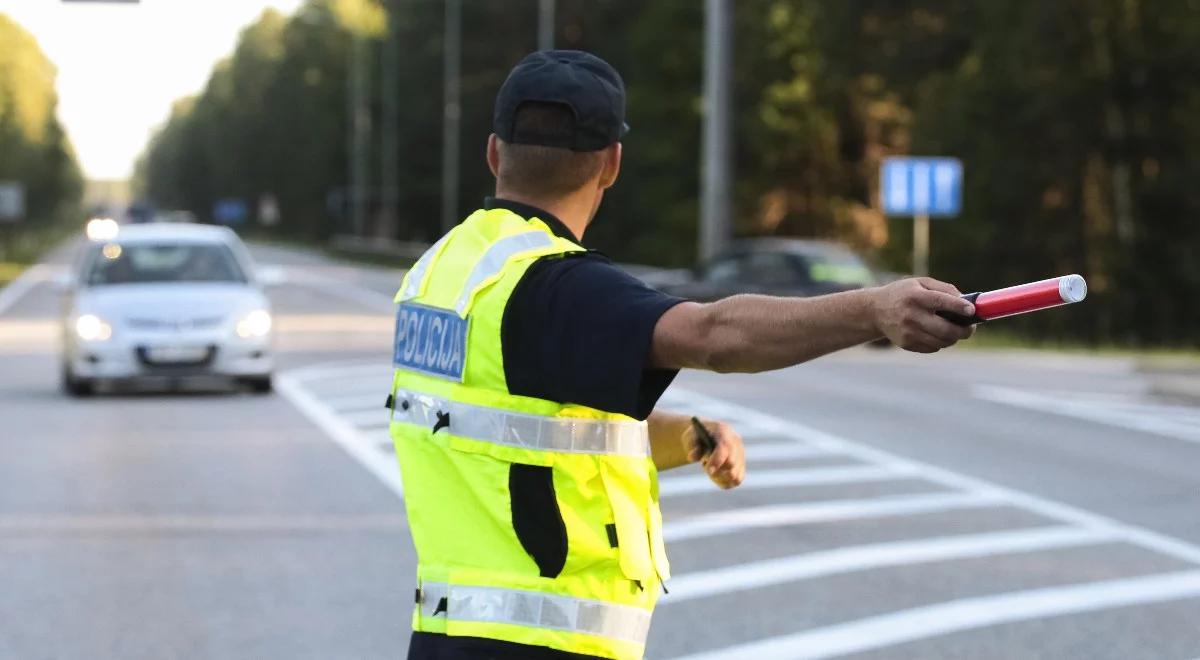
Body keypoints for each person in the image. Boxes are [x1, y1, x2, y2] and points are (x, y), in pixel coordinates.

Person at [389, 50, 976, 660]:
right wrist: (873, 310)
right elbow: (713, 334)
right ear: (611, 164)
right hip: (543, 642)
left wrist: (690, 437)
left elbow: (509, 428)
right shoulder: (554, 286)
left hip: (445, 638)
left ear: (492, 152)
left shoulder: (441, 275)